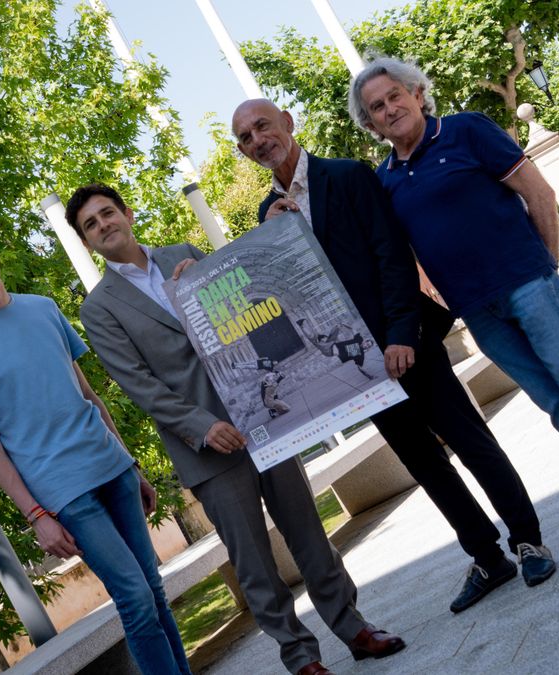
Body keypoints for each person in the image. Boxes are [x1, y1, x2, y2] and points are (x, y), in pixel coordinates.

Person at [347, 56, 559, 549]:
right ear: (371, 123)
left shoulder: (467, 131)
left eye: (395, 95)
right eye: (376, 107)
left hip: (529, 284)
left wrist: (545, 263)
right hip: (479, 313)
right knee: (558, 406)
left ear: (417, 93)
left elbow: (539, 192)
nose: (389, 108)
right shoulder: (386, 181)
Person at [232, 98, 555, 614]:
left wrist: (402, 334)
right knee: (425, 466)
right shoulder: (265, 214)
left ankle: (528, 541)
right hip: (355, 368)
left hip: (408, 344)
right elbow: (284, 299)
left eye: (262, 127)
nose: (257, 141)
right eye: (244, 138)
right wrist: (268, 234)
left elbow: (392, 255)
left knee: (473, 443)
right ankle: (487, 558)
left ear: (288, 124)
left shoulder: (348, 176)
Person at [69, 183, 405, 675]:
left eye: (107, 213)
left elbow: (242, 315)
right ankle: (301, 657)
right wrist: (202, 427)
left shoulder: (183, 255)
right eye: (91, 225)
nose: (103, 226)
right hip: (205, 448)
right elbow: (138, 384)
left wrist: (202, 286)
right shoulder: (97, 309)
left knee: (308, 532)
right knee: (252, 562)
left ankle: (354, 628)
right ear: (86, 242)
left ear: (128, 212)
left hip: (265, 417)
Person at [0, 219, 191, 675]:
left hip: (112, 466)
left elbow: (88, 394)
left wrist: (131, 463)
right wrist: (35, 515)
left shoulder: (45, 308)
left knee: (152, 590)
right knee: (133, 597)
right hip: (64, 491)